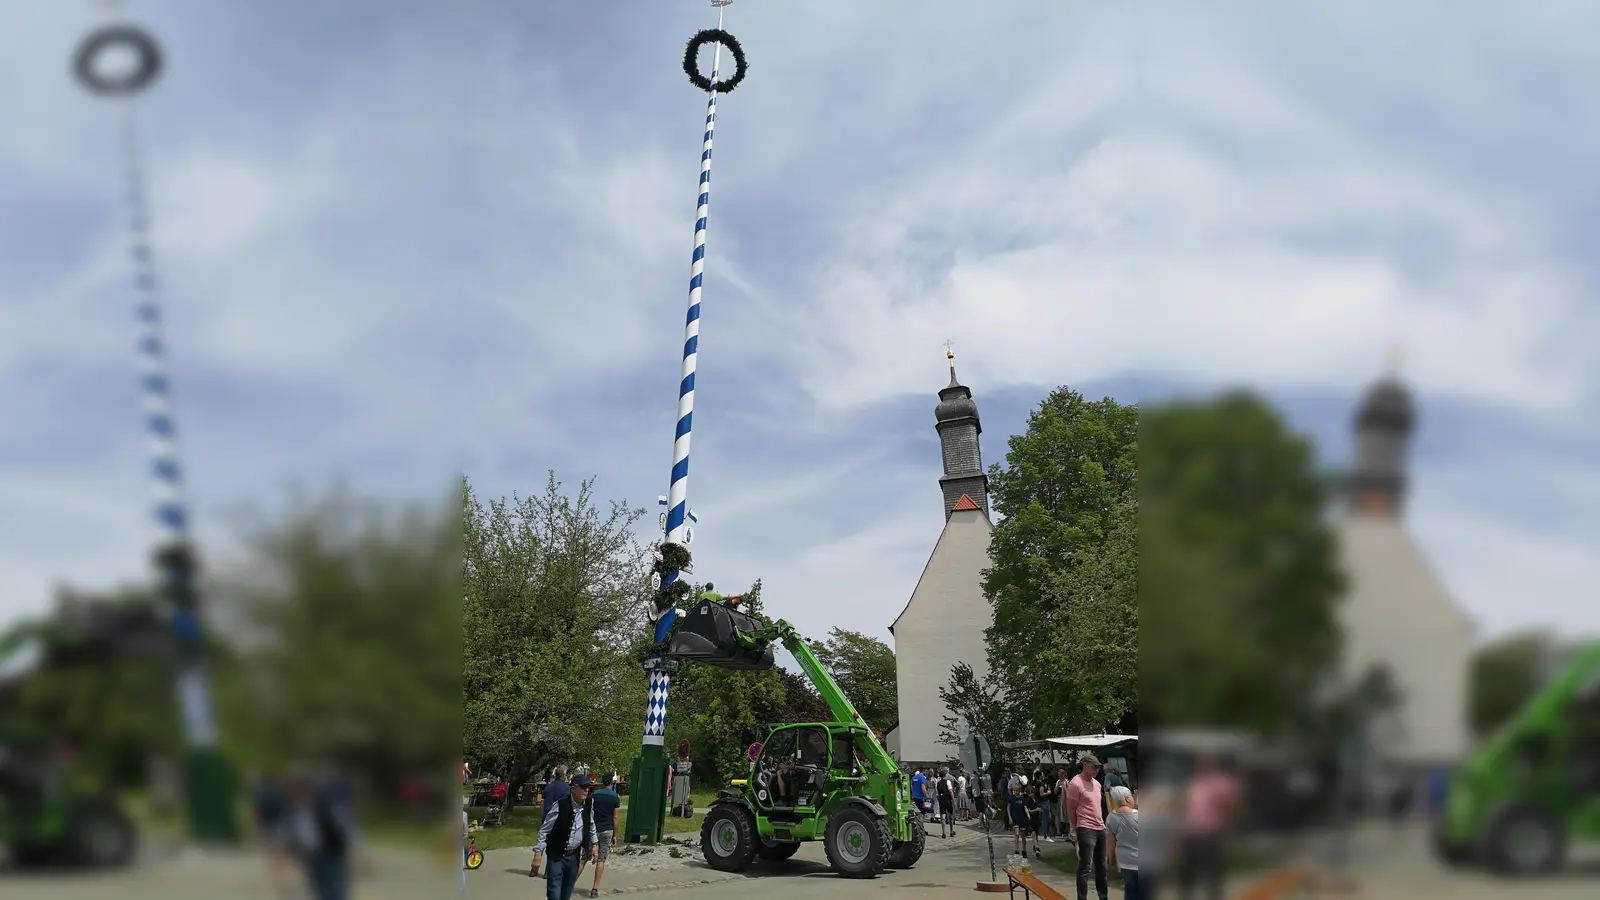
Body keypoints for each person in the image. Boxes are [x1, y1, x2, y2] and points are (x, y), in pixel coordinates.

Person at [283, 769, 360, 900]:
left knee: (335, 891)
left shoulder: (326, 807)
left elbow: (346, 827)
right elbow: (290, 834)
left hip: (331, 854)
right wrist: (289, 854)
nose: (299, 794)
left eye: (303, 789)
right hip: (310, 857)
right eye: (296, 790)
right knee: (320, 891)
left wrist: (355, 851)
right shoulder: (294, 811)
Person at [1177, 756, 1238, 900]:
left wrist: (1227, 826)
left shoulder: (1220, 783)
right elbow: (1185, 806)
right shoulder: (1194, 783)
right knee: (1187, 871)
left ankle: (1214, 895)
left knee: (1211, 870)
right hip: (1190, 832)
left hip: (1210, 832)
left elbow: (1230, 805)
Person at [535, 774, 598, 900]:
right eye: (583, 787)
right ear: (573, 789)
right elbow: (544, 830)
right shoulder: (560, 805)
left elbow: (591, 824)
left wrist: (595, 844)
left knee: (567, 892)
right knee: (554, 893)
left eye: (588, 787)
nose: (586, 790)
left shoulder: (588, 804)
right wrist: (538, 853)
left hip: (574, 856)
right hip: (556, 855)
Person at [1066, 754, 1109, 900]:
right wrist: (1073, 828)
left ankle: (1103, 897)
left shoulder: (1097, 784)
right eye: (1094, 767)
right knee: (1086, 867)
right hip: (1085, 827)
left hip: (1100, 827)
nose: (1097, 770)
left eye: (1099, 767)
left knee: (1102, 867)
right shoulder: (1075, 784)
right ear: (1085, 764)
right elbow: (1071, 808)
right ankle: (1082, 898)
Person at [580, 774, 622, 899]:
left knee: (584, 858)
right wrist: (615, 835)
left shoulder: (594, 795)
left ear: (602, 782)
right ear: (612, 783)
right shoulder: (615, 797)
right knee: (601, 859)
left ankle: (569, 884)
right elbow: (615, 817)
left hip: (593, 829)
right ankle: (594, 888)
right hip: (606, 830)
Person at [531, 765, 572, 877]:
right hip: (558, 818)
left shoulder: (549, 786)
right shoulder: (566, 788)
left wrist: (543, 815)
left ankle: (535, 865)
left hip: (546, 816)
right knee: (554, 845)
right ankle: (548, 871)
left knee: (542, 839)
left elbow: (543, 802)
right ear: (564, 775)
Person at [1105, 786, 1142, 900]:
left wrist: (1111, 859)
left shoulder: (1110, 818)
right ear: (1127, 799)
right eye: (1131, 796)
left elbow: (1111, 843)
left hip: (1126, 861)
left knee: (1130, 891)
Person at [1006, 782, 1037, 857]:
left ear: (1020, 790)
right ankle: (1016, 850)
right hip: (1015, 818)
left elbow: (1025, 807)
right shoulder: (1011, 798)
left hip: (1022, 818)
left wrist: (1028, 814)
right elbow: (1008, 808)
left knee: (1023, 836)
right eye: (1015, 790)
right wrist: (1010, 817)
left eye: (1017, 790)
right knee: (1016, 834)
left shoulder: (1022, 799)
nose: (1016, 792)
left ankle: (1024, 849)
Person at [935, 767, 957, 837]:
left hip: (941, 800)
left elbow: (937, 794)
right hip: (948, 799)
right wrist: (954, 800)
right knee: (950, 816)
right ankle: (951, 831)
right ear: (945, 775)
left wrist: (939, 800)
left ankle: (943, 833)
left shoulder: (938, 783)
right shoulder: (948, 782)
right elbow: (950, 791)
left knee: (943, 816)